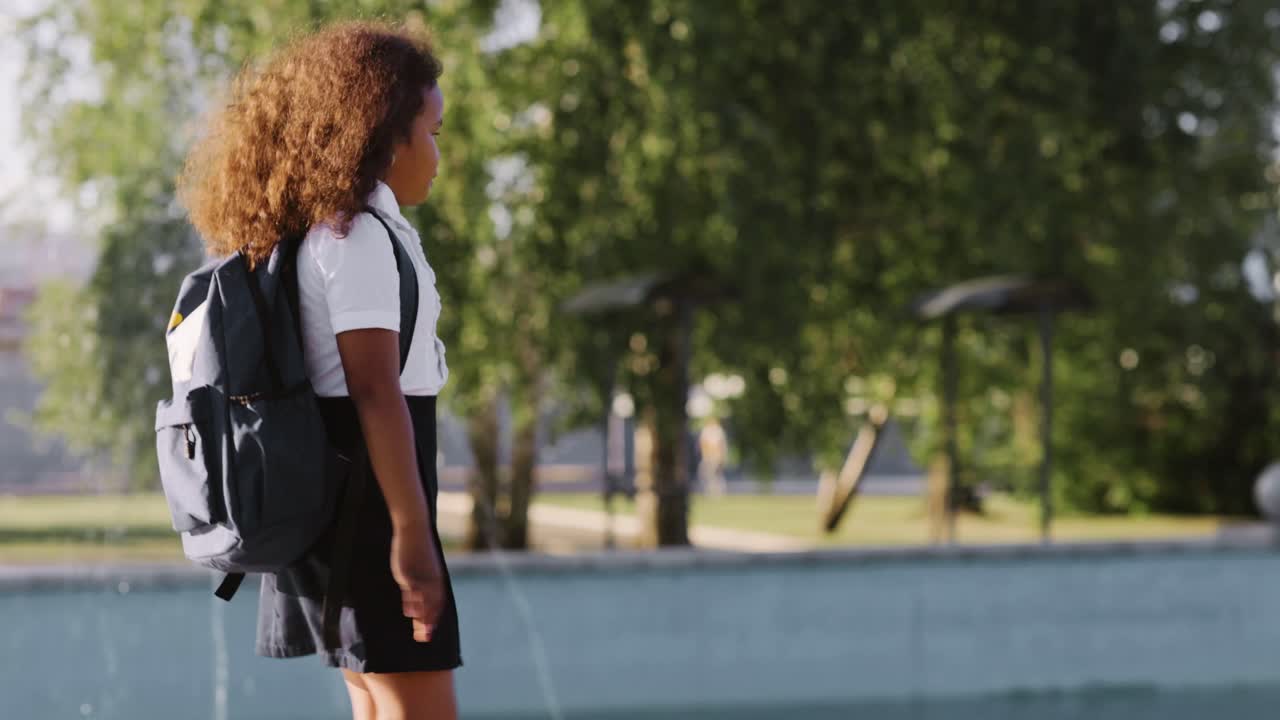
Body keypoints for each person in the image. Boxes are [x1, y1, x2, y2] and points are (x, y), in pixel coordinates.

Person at [178, 21, 461, 719]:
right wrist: (412, 538)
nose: (437, 153)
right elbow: (374, 389)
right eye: (432, 132)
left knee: (374, 703)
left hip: (348, 495)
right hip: (372, 500)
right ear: (385, 136)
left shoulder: (332, 231)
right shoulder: (355, 236)